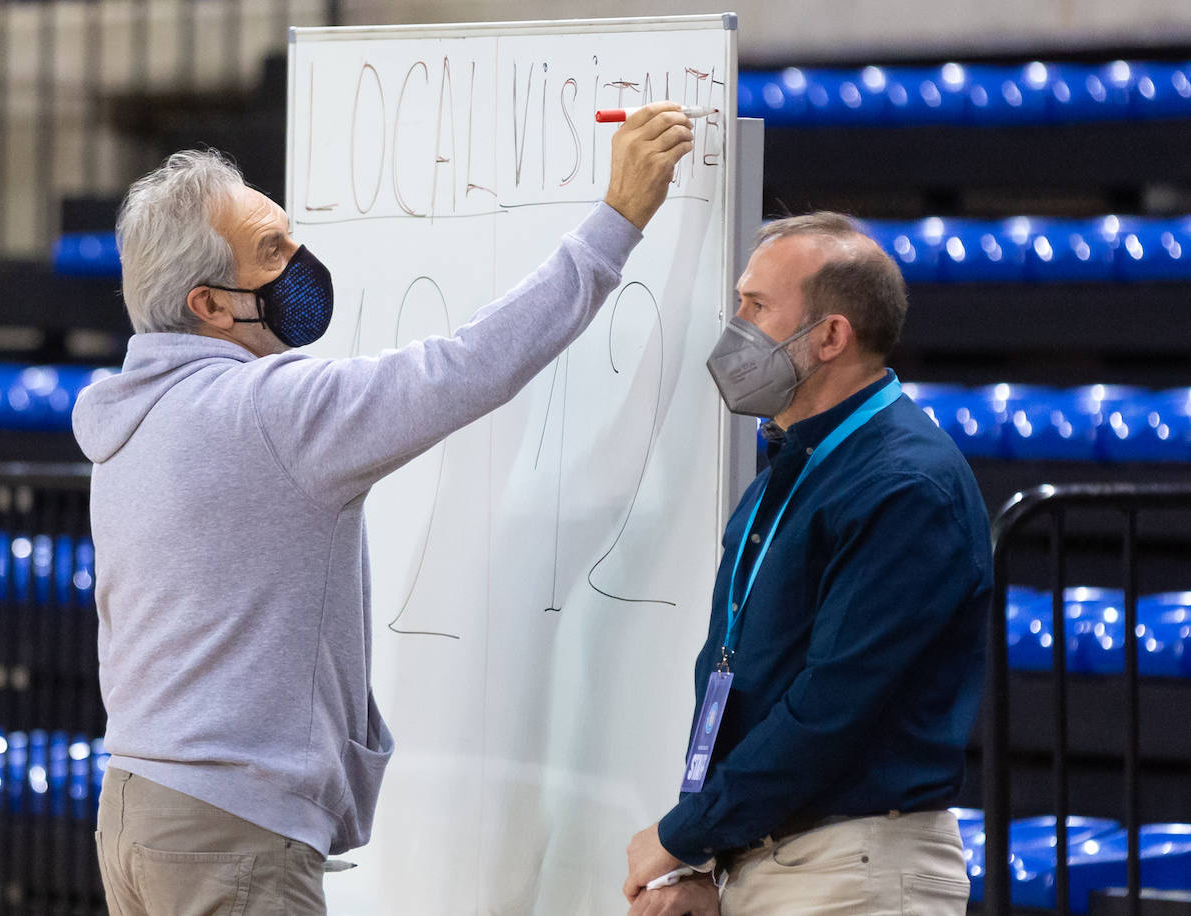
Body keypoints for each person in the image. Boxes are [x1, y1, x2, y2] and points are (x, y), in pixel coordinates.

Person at [74, 102, 693, 916]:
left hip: (137, 808)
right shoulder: (267, 409)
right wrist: (615, 223)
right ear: (210, 306)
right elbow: (468, 367)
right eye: (272, 252)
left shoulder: (125, 414)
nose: (301, 261)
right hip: (233, 830)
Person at [622, 213, 992, 916]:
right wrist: (707, 857)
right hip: (781, 860)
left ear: (830, 336)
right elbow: (746, 684)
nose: (735, 325)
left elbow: (831, 709)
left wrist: (681, 835)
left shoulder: (904, 485)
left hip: (854, 867)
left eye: (756, 307)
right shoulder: (794, 466)